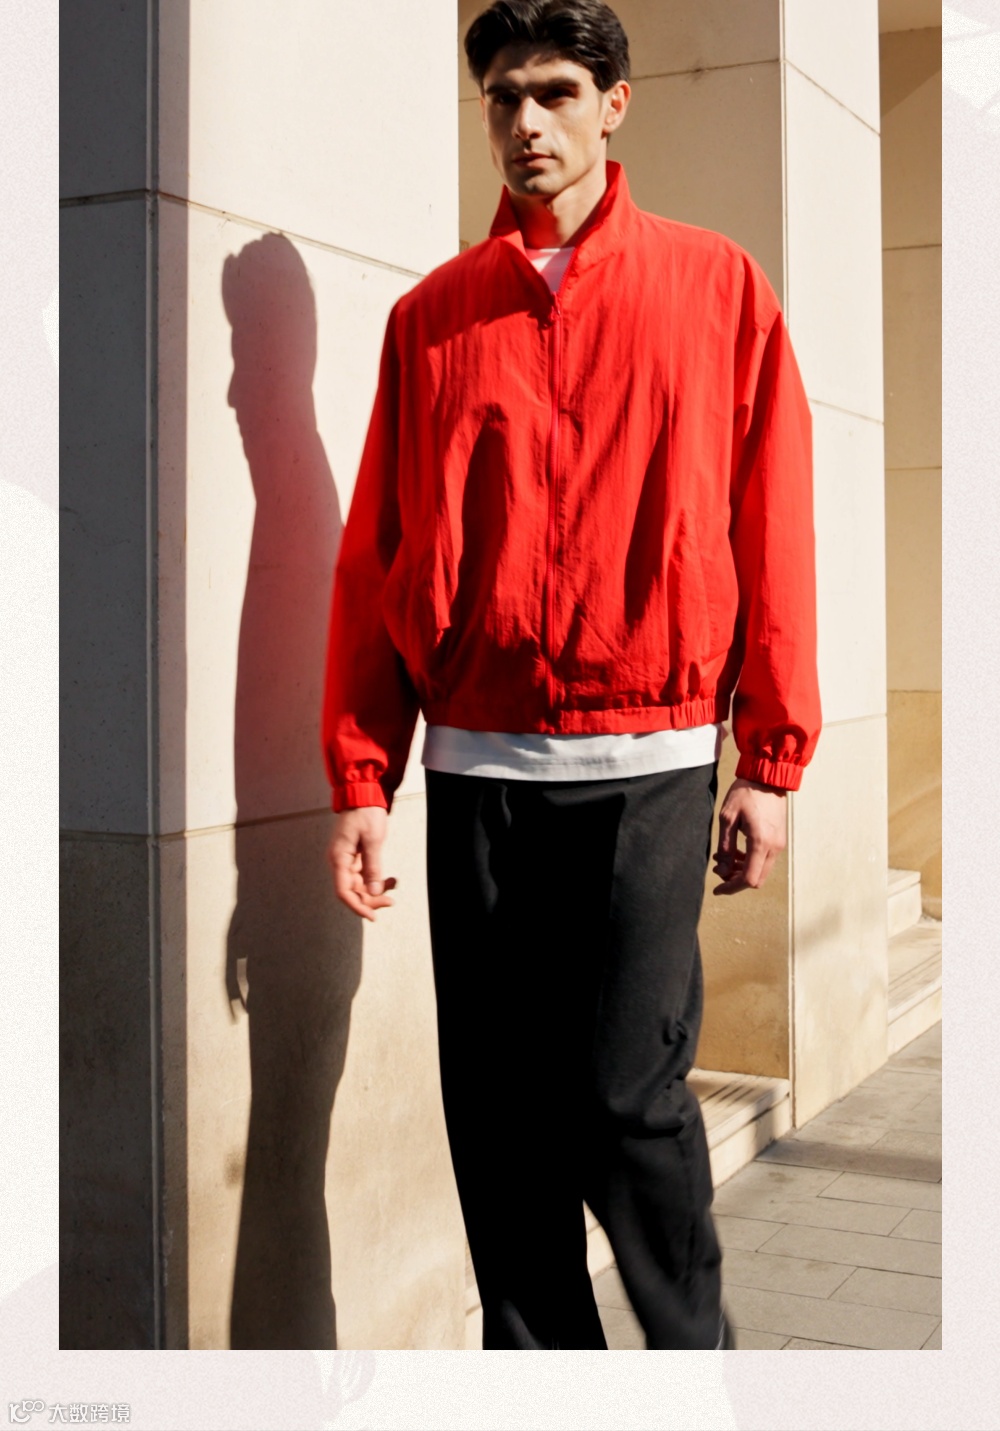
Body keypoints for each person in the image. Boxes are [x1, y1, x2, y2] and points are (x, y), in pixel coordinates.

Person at [322, 0, 821, 1350]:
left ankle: (694, 1365)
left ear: (614, 104)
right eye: (503, 96)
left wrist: (771, 760)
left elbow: (771, 529)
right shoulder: (432, 318)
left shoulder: (718, 288)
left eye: (554, 92)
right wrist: (363, 775)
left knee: (626, 1099)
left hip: (649, 763)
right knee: (497, 1116)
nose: (526, 122)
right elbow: (377, 556)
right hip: (478, 767)